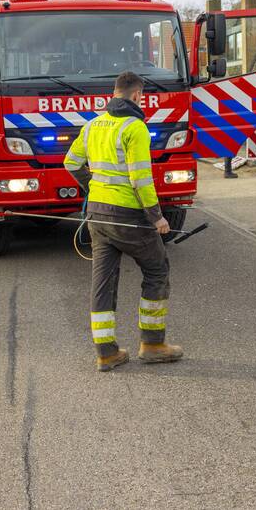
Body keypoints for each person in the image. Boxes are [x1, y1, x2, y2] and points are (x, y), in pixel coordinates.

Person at [64, 71, 182, 372]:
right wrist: (157, 217)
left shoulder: (92, 125)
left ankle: (106, 352)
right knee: (157, 269)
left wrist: (92, 186)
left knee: (102, 282)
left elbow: (71, 162)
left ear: (114, 93)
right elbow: (140, 178)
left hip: (97, 216)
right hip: (128, 215)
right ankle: (153, 345)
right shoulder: (135, 127)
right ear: (137, 95)